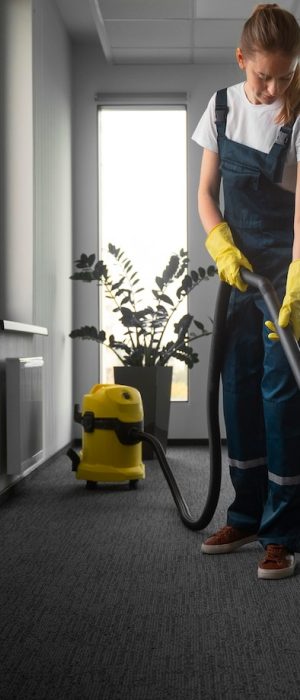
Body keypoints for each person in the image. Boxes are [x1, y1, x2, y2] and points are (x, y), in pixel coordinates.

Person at [192, 3, 300, 579]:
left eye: (285, 76)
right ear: (242, 60)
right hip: (238, 274)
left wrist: (299, 279)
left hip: (286, 275)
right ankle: (245, 513)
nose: (274, 87)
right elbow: (207, 192)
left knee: (281, 398)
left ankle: (282, 532)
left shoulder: (299, 111)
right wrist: (221, 247)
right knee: (238, 390)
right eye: (264, 76)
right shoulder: (221, 107)